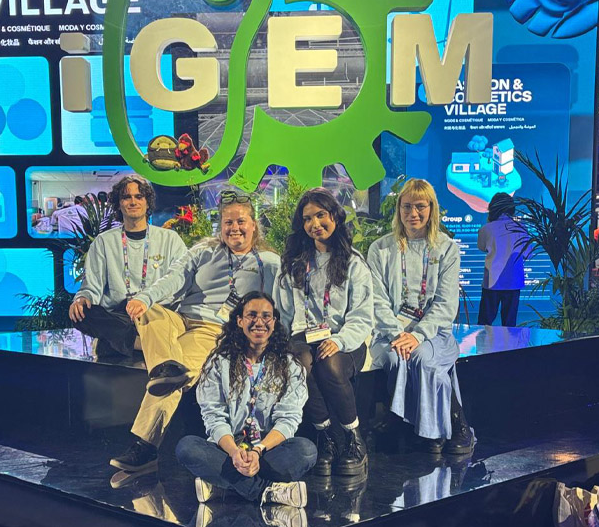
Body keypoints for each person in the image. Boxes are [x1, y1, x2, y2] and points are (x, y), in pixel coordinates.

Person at [109, 190, 281, 485]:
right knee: (151, 313)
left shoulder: (268, 262)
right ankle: (166, 368)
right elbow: (173, 279)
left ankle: (145, 446)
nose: (234, 228)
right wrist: (145, 298)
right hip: (177, 318)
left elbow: (283, 302)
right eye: (228, 222)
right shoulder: (204, 251)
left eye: (241, 221)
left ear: (254, 225)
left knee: (176, 373)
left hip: (211, 328)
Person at [175, 292, 316, 508]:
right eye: (252, 315)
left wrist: (258, 451)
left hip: (268, 451)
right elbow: (214, 418)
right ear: (240, 321)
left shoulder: (290, 365)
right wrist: (234, 452)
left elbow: (288, 420)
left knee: (306, 451)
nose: (259, 322)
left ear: (274, 323)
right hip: (228, 450)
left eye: (266, 316)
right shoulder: (218, 363)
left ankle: (224, 486)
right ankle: (266, 491)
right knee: (187, 448)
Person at [367, 178, 474, 456]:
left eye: (420, 206)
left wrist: (417, 335)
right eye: (406, 207)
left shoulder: (446, 248)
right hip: (390, 333)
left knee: (424, 359)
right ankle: (413, 427)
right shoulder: (380, 248)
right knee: (395, 359)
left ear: (431, 209)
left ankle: (448, 427)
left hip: (432, 333)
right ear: (398, 209)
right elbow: (376, 300)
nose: (412, 213)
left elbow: (445, 303)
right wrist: (398, 334)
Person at [273, 187, 373, 477]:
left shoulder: (354, 263)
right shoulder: (293, 263)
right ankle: (325, 437)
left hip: (345, 338)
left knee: (329, 363)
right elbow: (283, 314)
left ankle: (354, 439)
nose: (314, 224)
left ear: (335, 217)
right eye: (307, 219)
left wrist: (339, 341)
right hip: (303, 337)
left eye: (320, 215)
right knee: (299, 363)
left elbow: (362, 317)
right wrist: (281, 345)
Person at [69, 175, 187, 357]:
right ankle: (140, 343)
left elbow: (180, 280)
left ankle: (120, 341)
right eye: (126, 197)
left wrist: (146, 301)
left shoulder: (170, 239)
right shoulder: (104, 241)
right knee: (81, 312)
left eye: (139, 196)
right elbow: (92, 286)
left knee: (162, 319)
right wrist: (83, 298)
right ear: (119, 204)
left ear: (147, 202)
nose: (133, 202)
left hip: (156, 313)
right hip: (119, 315)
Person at [476, 192, 529, 327]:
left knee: (484, 322)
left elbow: (481, 247)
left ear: (492, 208)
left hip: (492, 281)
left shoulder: (486, 229)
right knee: (510, 324)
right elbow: (528, 252)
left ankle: (482, 342)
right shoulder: (521, 228)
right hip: (514, 281)